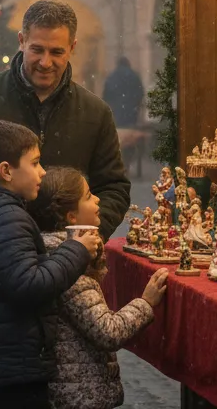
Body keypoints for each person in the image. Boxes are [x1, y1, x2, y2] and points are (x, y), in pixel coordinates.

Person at [0, 121, 101, 409]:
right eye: (35, 163)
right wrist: (76, 251)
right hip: (12, 369)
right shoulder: (6, 218)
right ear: (6, 171)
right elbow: (28, 286)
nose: (42, 172)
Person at [0, 0, 131, 238]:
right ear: (22, 41)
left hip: (72, 257)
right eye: (37, 50)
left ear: (72, 47)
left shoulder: (95, 112)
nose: (45, 63)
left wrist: (87, 234)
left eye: (56, 52)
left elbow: (113, 187)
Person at [36, 166, 167, 409]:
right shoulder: (69, 267)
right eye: (88, 196)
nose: (97, 199)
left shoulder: (56, 254)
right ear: (71, 217)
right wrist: (146, 302)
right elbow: (108, 331)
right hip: (78, 393)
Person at [101, 57, 145, 129]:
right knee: (130, 130)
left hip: (117, 111)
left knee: (119, 131)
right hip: (131, 110)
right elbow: (140, 92)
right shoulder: (134, 76)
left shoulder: (112, 77)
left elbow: (106, 95)